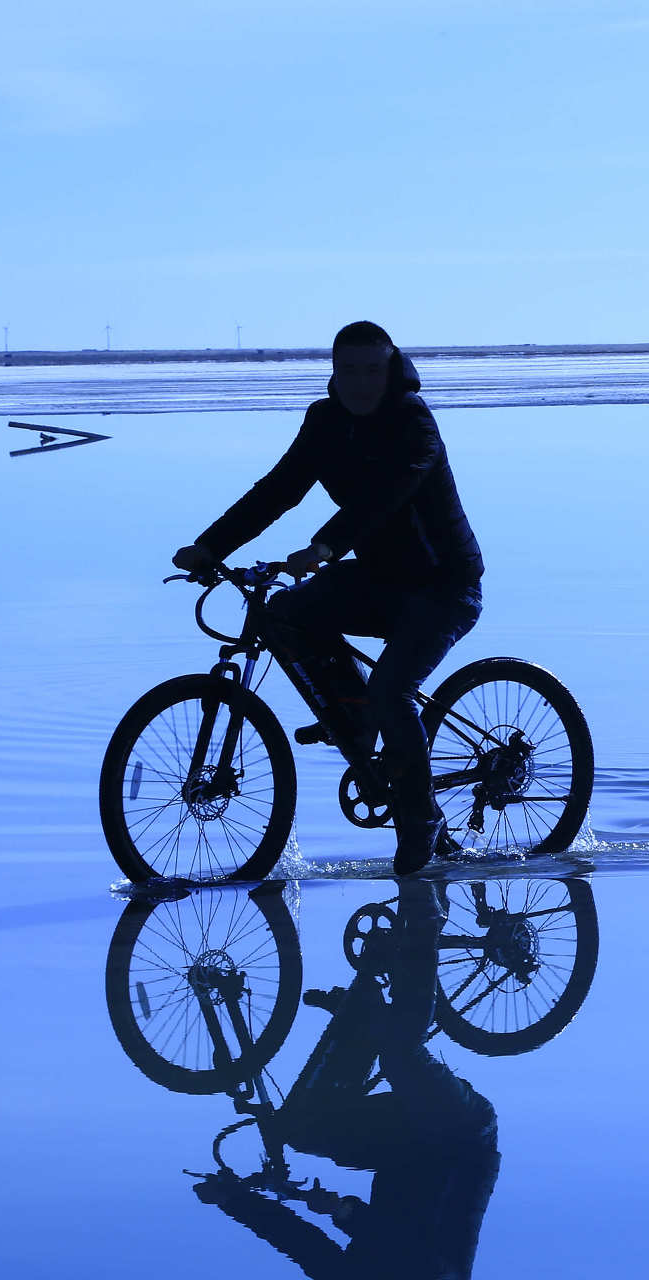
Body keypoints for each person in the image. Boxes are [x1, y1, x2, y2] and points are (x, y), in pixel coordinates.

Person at [172, 321, 484, 874]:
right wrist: (208, 546)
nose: (361, 383)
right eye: (349, 371)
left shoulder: (414, 423)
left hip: (445, 586)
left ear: (390, 371)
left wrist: (326, 546)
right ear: (333, 374)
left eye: (373, 370)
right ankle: (357, 717)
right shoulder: (325, 421)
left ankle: (421, 820)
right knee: (285, 614)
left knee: (393, 689)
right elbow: (278, 489)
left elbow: (389, 495)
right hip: (381, 581)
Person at [193, 883, 502, 1280]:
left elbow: (302, 1247)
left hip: (403, 1149)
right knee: (401, 1056)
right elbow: (410, 1253)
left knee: (301, 1128)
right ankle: (424, 922)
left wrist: (234, 1201)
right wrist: (347, 1211)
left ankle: (361, 1012)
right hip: (459, 1135)